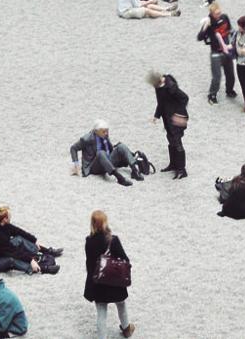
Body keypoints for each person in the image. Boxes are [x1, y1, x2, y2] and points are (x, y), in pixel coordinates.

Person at [83, 211, 136, 339]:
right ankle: (126, 329)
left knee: (101, 313)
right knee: (121, 304)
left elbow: (89, 264)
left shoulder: (89, 241)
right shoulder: (113, 240)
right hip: (114, 282)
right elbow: (125, 259)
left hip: (98, 283)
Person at [0, 206, 62, 276]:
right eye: (9, 216)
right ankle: (41, 268)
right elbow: (12, 251)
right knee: (11, 260)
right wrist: (30, 260)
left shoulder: (1, 224)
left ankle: (47, 252)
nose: (11, 218)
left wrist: (34, 240)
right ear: (5, 219)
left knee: (19, 239)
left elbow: (18, 231)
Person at [70, 120, 145, 186]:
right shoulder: (86, 139)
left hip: (107, 160)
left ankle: (135, 171)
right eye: (103, 131)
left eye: (107, 131)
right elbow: (73, 148)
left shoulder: (104, 135)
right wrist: (76, 164)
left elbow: (110, 148)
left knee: (121, 146)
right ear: (96, 131)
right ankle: (119, 177)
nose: (106, 133)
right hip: (94, 166)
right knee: (101, 153)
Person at [147, 71, 189, 179]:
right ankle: (173, 164)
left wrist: (179, 114)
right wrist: (157, 116)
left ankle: (181, 170)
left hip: (178, 119)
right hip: (168, 118)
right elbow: (161, 103)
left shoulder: (171, 87)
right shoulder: (158, 87)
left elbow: (185, 98)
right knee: (171, 140)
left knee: (177, 142)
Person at [198, 2, 237, 104]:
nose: (218, 15)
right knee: (217, 77)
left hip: (226, 50)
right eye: (216, 14)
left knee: (231, 75)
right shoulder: (209, 23)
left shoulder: (224, 18)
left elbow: (230, 30)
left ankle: (229, 90)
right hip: (215, 52)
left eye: (219, 12)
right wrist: (206, 26)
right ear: (211, 13)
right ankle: (212, 94)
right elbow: (200, 37)